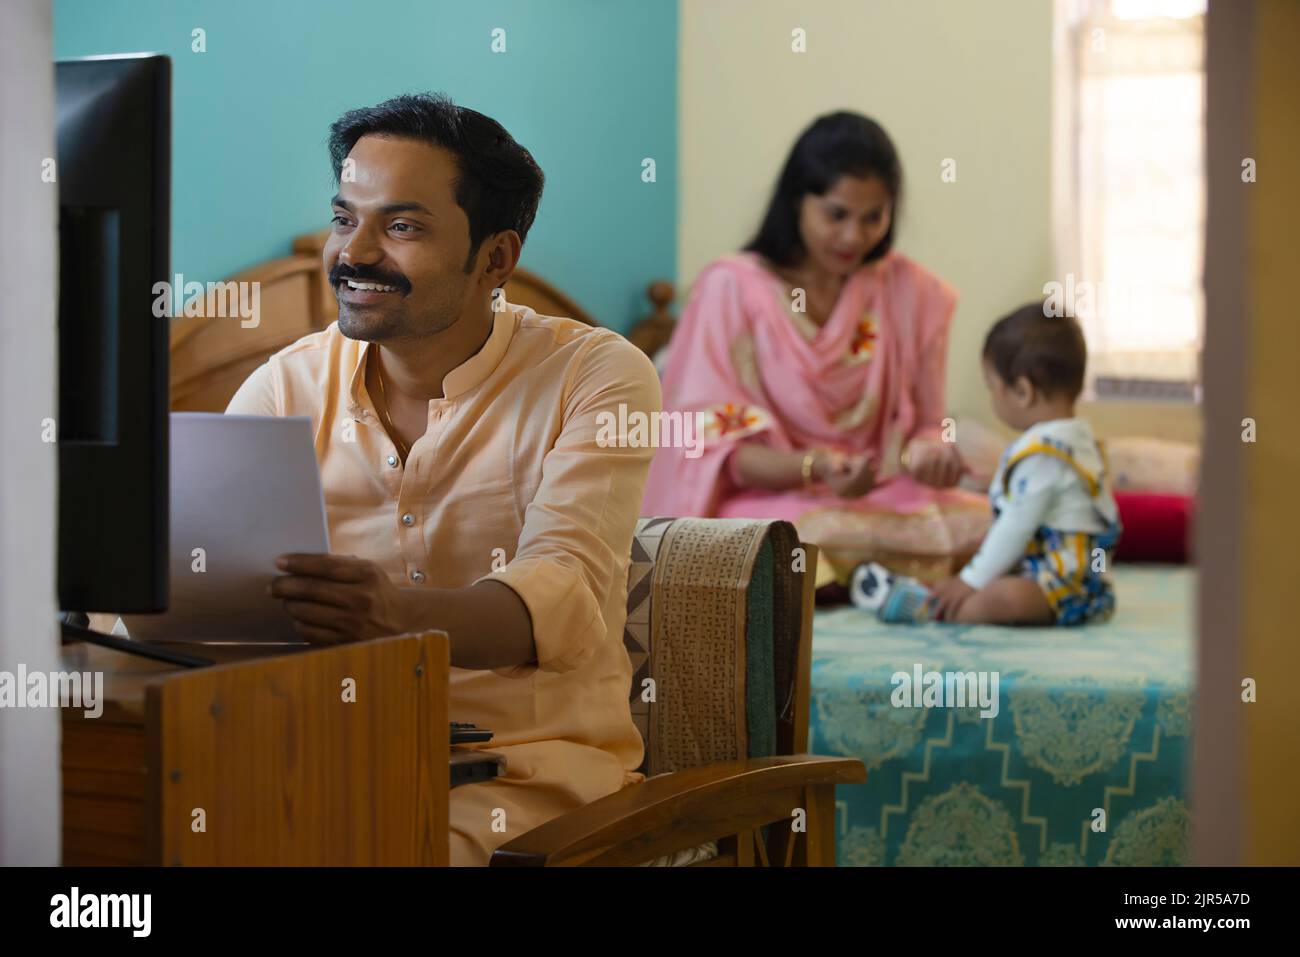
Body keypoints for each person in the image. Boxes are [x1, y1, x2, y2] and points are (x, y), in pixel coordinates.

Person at [226, 93, 661, 864]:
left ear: (496, 258)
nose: (353, 253)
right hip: (322, 753)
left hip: (531, 780)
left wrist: (394, 613)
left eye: (401, 226)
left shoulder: (596, 375)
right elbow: (197, 582)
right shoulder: (284, 388)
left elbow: (559, 592)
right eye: (343, 218)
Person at [641, 111, 988, 586]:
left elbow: (928, 423)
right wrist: (813, 467)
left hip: (878, 496)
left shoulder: (909, 291)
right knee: (788, 541)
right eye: (836, 214)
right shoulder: (731, 288)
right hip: (770, 501)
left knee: (993, 523)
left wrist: (931, 450)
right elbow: (711, 451)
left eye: (873, 217)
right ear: (796, 202)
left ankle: (849, 579)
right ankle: (854, 577)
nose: (853, 237)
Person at [851, 304, 1122, 625]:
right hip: (1086, 579)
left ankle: (930, 609)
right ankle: (937, 591)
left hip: (1059, 583)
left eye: (993, 388)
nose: (992, 398)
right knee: (998, 574)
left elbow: (1017, 524)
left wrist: (971, 580)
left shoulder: (1041, 454)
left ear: (1022, 391)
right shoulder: (1079, 440)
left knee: (1004, 597)